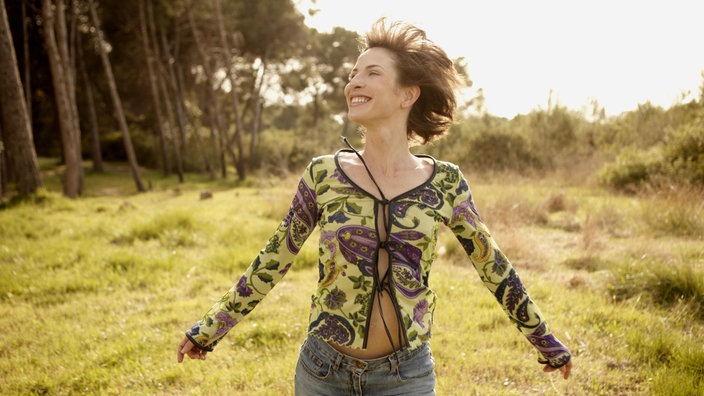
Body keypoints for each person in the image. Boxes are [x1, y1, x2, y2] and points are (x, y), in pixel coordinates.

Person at [177, 17, 572, 395]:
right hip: (322, 372)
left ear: (407, 93)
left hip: (407, 375)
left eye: (371, 73)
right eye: (353, 74)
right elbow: (274, 257)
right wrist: (211, 328)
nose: (354, 83)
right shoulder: (323, 174)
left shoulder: (446, 182)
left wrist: (544, 338)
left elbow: (493, 266)